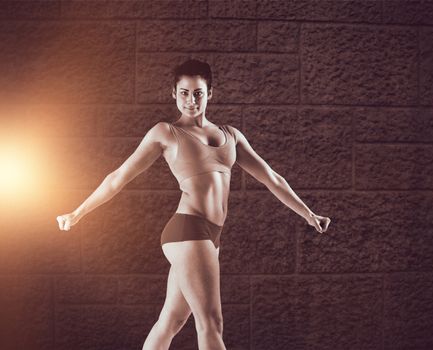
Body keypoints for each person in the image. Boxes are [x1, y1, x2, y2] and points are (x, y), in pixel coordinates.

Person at [56, 59, 331, 350]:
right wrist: (77, 213)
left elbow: (271, 178)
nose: (191, 100)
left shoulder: (231, 135)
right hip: (187, 229)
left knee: (171, 321)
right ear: (174, 93)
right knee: (211, 323)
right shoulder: (166, 133)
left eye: (198, 93)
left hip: (210, 236)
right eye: (184, 93)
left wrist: (308, 214)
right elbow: (118, 178)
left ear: (210, 93)